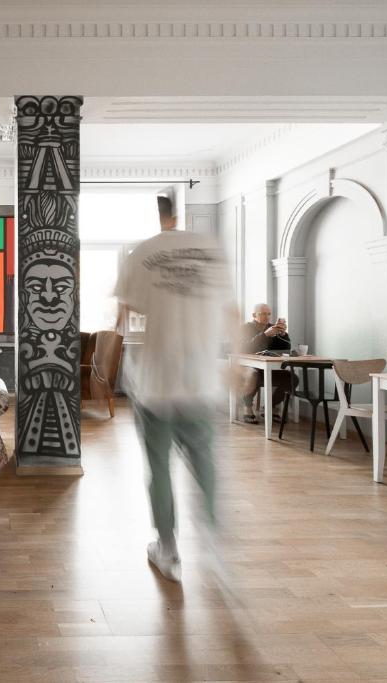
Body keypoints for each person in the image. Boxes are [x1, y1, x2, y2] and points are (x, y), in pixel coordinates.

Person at [114, 191, 231, 582]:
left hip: (154, 382)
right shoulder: (209, 249)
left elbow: (127, 321)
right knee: (205, 462)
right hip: (200, 380)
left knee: (159, 468)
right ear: (177, 212)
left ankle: (168, 549)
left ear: (152, 215)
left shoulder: (138, 255)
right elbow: (230, 312)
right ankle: (215, 542)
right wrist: (236, 365)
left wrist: (140, 348)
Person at [238, 303, 295, 424]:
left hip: (268, 368)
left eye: (269, 314)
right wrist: (264, 335)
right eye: (263, 313)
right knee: (253, 374)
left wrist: (283, 334)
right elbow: (244, 348)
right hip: (249, 367)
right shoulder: (245, 328)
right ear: (254, 315)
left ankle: (270, 406)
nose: (267, 317)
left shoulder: (272, 328)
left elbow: (286, 349)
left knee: (292, 378)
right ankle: (247, 408)